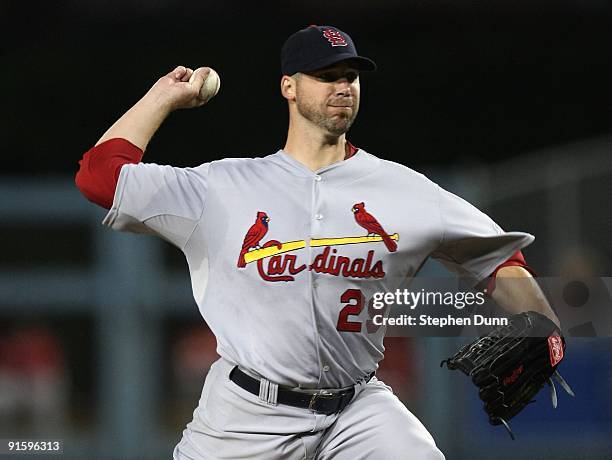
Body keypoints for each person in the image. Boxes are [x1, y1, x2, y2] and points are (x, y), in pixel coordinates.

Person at [76, 25, 560, 459]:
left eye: (350, 75)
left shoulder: (405, 190)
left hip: (357, 410)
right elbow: (99, 179)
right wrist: (163, 96)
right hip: (245, 416)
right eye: (326, 75)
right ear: (289, 86)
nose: (342, 86)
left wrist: (544, 325)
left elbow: (499, 258)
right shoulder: (220, 188)